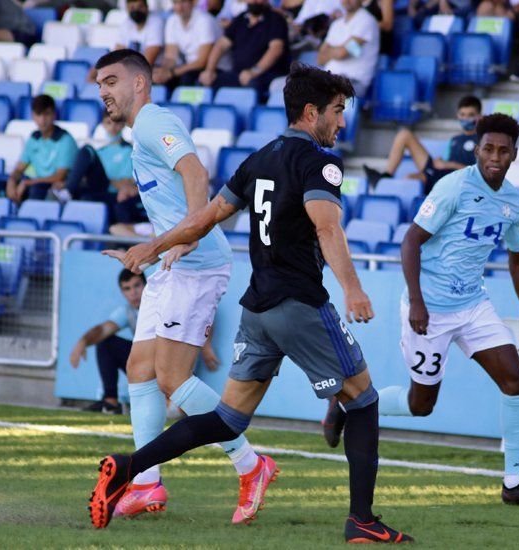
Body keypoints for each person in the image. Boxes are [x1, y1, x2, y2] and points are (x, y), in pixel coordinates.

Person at [89, 62, 413, 544]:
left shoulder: (257, 159)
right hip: (301, 305)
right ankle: (362, 520)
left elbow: (206, 217)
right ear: (311, 111)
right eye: (338, 111)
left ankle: (131, 467)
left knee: (225, 419)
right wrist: (352, 288)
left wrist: (151, 247)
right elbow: (328, 228)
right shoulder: (319, 163)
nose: (342, 123)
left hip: (255, 311)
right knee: (363, 402)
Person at [324, 114, 519, 507]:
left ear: (515, 154)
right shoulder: (454, 186)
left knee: (516, 381)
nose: (495, 157)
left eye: (503, 150)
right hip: (429, 309)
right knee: (422, 406)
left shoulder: (513, 200)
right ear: (478, 150)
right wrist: (417, 300)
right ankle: (349, 400)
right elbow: (411, 241)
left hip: (473, 305)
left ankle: (514, 482)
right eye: (488, 149)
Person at [93, 49, 264, 523]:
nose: (103, 92)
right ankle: (146, 485)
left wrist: (193, 230)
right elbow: (176, 200)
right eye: (98, 84)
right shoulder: (140, 134)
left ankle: (252, 467)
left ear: (139, 83)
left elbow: (196, 172)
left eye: (111, 81)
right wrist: (148, 248)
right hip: (173, 265)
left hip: (198, 265)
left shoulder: (152, 121)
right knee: (139, 370)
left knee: (171, 378)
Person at [363, 95, 482, 193]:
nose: (466, 118)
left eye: (471, 115)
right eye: (462, 115)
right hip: (440, 172)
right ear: (457, 115)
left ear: (479, 116)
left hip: (456, 179)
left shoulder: (483, 140)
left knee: (410, 180)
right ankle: (385, 177)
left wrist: (450, 164)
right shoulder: (455, 139)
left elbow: (480, 174)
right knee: (404, 134)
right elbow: (444, 162)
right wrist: (441, 162)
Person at [70, 269, 146, 414]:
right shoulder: (127, 311)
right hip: (145, 364)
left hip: (165, 364)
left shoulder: (159, 305)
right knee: (106, 342)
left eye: (137, 286)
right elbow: (103, 329)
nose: (133, 292)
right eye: (127, 288)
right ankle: (110, 402)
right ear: (122, 292)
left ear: (146, 285)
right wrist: (83, 341)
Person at [63, 114, 147, 229]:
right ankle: (67, 190)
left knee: (87, 150)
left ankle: (67, 192)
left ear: (123, 125)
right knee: (86, 154)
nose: (113, 127)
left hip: (113, 193)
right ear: (102, 124)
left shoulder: (129, 151)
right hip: (99, 190)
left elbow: (126, 184)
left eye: (117, 123)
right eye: (108, 123)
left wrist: (105, 179)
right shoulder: (101, 151)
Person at [198, 0, 291, 97]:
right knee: (204, 80)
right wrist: (209, 70)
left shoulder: (275, 19)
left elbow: (276, 49)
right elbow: (221, 45)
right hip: (239, 74)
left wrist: (254, 71)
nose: (254, 1)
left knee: (252, 83)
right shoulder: (240, 19)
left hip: (266, 74)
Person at [0, 95, 79, 203]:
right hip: (37, 183)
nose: (42, 120)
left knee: (36, 189)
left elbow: (59, 176)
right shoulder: (33, 139)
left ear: (54, 115)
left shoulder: (66, 140)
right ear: (33, 116)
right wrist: (11, 181)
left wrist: (29, 182)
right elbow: (19, 169)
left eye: (47, 114)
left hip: (56, 187)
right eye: (38, 114)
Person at [317, 0, 379, 96]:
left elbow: (343, 53)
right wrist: (338, 50)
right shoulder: (336, 24)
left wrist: (332, 51)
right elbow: (320, 58)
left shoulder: (367, 21)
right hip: (330, 80)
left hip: (354, 82)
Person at [153, 0, 219, 87]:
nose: (179, 7)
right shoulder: (172, 20)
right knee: (155, 78)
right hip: (187, 68)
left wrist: (171, 73)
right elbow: (171, 57)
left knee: (186, 79)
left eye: (183, 2)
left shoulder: (205, 20)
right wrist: (162, 71)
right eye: (176, 3)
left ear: (193, 2)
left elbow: (202, 62)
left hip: (212, 69)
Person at [116, 0, 164, 66]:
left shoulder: (156, 22)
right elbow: (116, 54)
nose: (136, 10)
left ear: (147, 7)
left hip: (153, 67)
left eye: (140, 7)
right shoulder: (127, 23)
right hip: (131, 67)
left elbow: (148, 61)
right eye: (132, 8)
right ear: (127, 9)